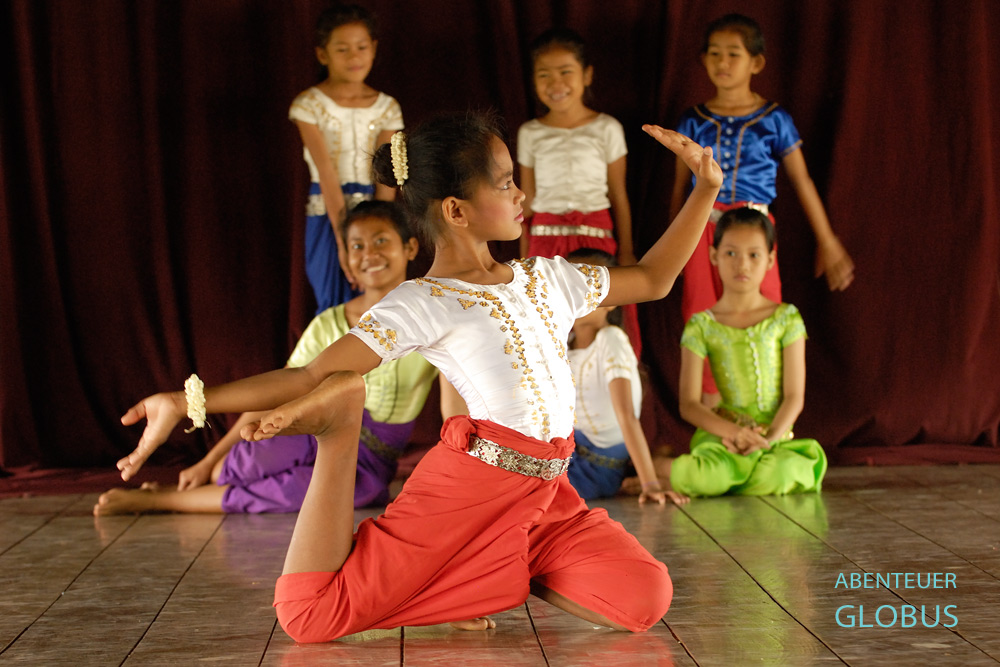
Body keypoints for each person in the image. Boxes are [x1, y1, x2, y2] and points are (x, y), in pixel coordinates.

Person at [113, 112, 722, 642]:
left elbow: (654, 280)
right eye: (506, 181)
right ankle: (342, 426)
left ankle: (475, 577)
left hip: (547, 495)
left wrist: (704, 191)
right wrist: (189, 400)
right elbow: (309, 374)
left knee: (645, 598)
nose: (520, 194)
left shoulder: (549, 278)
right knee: (310, 616)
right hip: (470, 489)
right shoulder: (424, 301)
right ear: (456, 209)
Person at [94, 202, 444, 516]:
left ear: (410, 247)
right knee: (223, 472)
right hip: (311, 430)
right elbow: (288, 387)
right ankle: (208, 479)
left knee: (315, 492)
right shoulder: (329, 324)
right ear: (345, 257)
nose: (370, 254)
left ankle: (160, 500)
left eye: (381, 241)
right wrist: (208, 459)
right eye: (357, 246)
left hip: (366, 459)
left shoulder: (429, 317)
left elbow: (456, 406)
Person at [669, 13, 854, 399]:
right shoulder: (693, 120)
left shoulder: (775, 120)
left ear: (756, 63)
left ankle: (764, 404)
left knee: (764, 310)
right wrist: (674, 247)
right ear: (703, 60)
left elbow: (802, 180)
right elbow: (679, 188)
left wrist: (828, 240)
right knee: (702, 311)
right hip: (703, 230)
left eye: (733, 54)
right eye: (714, 53)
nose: (722, 62)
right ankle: (711, 408)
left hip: (755, 228)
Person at [666, 207, 827, 497]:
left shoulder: (786, 317)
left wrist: (766, 439)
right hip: (725, 438)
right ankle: (719, 474)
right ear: (713, 255)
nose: (743, 264)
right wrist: (735, 434)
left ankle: (735, 477)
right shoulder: (701, 325)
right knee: (703, 475)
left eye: (754, 255)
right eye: (731, 253)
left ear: (770, 260)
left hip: (774, 437)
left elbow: (794, 396)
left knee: (780, 471)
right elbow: (689, 405)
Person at [516, 28, 642, 355]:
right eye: (544, 75)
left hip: (597, 240)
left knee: (605, 322)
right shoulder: (530, 133)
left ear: (587, 75)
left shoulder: (607, 128)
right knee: (547, 327)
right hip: (545, 241)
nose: (555, 84)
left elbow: (619, 195)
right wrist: (524, 254)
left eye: (565, 72)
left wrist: (626, 251)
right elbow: (526, 202)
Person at [289, 4, 404, 313]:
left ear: (374, 48)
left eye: (361, 47)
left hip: (373, 212)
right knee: (331, 301)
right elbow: (325, 170)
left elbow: (385, 174)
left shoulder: (387, 108)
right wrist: (344, 241)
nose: (354, 56)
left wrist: (383, 227)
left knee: (377, 300)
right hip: (327, 212)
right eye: (342, 49)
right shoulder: (308, 105)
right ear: (323, 54)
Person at [564, 248, 688, 506]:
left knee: (524, 494)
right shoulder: (565, 345)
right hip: (570, 455)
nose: (575, 296)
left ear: (612, 299)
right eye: (568, 285)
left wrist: (650, 484)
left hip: (598, 464)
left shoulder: (611, 340)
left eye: (587, 285)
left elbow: (627, 417)